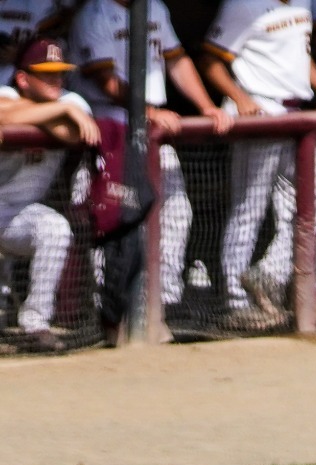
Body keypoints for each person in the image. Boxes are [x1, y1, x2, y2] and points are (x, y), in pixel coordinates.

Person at [70, 0, 231, 313]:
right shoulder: (93, 14)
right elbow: (107, 81)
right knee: (111, 214)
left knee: (176, 210)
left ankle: (165, 299)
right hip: (109, 124)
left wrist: (206, 106)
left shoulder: (155, 7)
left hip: (155, 124)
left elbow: (177, 59)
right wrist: (148, 111)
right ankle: (105, 305)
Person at [202, 0, 316, 328]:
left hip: (295, 113)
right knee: (249, 208)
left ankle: (269, 273)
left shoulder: (301, 2)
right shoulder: (242, 5)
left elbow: (299, 53)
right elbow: (211, 58)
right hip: (260, 108)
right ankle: (235, 301)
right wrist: (240, 98)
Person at [0, 38, 95, 351]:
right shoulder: (8, 91)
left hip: (17, 214)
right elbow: (4, 113)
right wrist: (58, 111)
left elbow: (74, 132)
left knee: (54, 227)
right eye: (46, 74)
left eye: (59, 73)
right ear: (23, 79)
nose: (57, 80)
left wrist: (55, 110)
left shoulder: (73, 101)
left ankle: (35, 323)